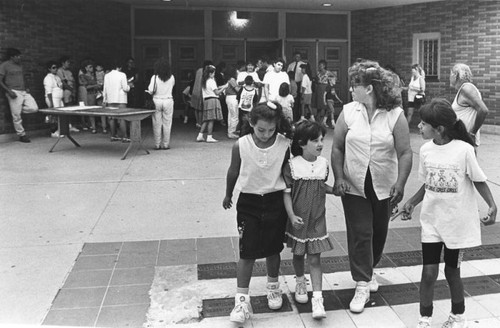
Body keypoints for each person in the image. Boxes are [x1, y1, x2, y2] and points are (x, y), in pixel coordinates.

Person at [400, 98, 497, 328]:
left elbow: (479, 180)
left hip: (456, 223)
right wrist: (412, 203)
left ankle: (458, 316)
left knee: (452, 271)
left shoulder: (464, 150)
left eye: (424, 123)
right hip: (432, 222)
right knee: (428, 272)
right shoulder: (425, 150)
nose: (419, 127)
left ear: (439, 128)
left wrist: (492, 206)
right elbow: (428, 184)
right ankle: (424, 318)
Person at [331, 60, 413, 314]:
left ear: (369, 88)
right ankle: (362, 283)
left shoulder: (395, 115)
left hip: (383, 185)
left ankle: (369, 269)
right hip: (353, 183)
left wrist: (400, 182)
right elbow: (337, 147)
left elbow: (405, 152)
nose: (351, 89)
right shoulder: (348, 111)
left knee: (378, 233)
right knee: (360, 233)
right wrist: (338, 177)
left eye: (355, 85)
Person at [222, 101, 292, 324]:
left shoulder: (284, 143)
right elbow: (233, 171)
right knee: (248, 251)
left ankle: (273, 286)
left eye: (271, 130)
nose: (266, 134)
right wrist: (228, 194)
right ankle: (242, 299)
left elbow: (287, 172)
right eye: (261, 129)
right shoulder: (240, 145)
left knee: (273, 248)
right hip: (249, 202)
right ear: (251, 122)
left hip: (275, 201)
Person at [283, 120, 335, 319]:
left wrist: (336, 191)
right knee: (298, 254)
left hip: (317, 220)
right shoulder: (292, 166)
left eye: (322, 139)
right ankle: (299, 281)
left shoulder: (324, 164)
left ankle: (318, 299)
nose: (320, 143)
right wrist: (291, 215)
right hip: (299, 219)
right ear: (302, 143)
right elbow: (287, 194)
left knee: (315, 258)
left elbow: (321, 187)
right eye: (315, 140)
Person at [0, 48, 39, 143]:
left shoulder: (20, 65)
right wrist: (9, 91)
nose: (19, 57)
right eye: (17, 56)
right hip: (13, 91)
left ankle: (17, 110)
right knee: (16, 116)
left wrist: (26, 87)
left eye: (19, 56)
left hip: (23, 91)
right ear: (11, 57)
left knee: (34, 108)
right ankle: (22, 135)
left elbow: (22, 78)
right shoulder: (4, 65)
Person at [450, 63, 489, 147]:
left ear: (456, 75)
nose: (449, 78)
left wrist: (472, 133)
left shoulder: (466, 88)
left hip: (465, 140)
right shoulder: (464, 89)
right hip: (461, 139)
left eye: (450, 74)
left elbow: (483, 110)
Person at [148, 57, 175, 150]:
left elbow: (151, 90)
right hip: (168, 100)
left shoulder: (154, 77)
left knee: (156, 123)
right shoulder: (171, 77)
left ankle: (157, 144)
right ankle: (166, 144)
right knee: (167, 123)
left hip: (157, 100)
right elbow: (173, 86)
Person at [103, 59, 131, 142]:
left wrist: (105, 99)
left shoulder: (107, 75)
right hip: (120, 99)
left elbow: (105, 88)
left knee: (111, 118)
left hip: (110, 99)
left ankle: (113, 136)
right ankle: (125, 137)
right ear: (119, 67)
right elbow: (125, 88)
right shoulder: (122, 75)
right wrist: (129, 86)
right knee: (122, 118)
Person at [197, 65, 225, 143]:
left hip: (206, 100)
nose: (214, 74)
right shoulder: (211, 81)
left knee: (206, 119)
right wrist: (224, 87)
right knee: (211, 120)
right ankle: (209, 136)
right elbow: (216, 92)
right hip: (212, 100)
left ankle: (200, 135)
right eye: (213, 73)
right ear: (210, 74)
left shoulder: (204, 81)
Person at [43, 60, 64, 137]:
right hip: (52, 98)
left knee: (61, 115)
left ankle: (60, 130)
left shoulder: (57, 77)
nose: (55, 69)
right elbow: (49, 92)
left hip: (59, 98)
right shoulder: (48, 78)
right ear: (49, 69)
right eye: (53, 68)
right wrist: (51, 103)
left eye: (56, 67)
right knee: (54, 115)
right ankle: (53, 132)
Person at [78, 59, 99, 133]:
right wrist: (96, 85)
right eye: (90, 67)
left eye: (92, 67)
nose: (91, 68)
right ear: (86, 68)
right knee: (91, 110)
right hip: (90, 93)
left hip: (97, 93)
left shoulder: (95, 75)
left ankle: (103, 126)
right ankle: (93, 127)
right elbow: (86, 86)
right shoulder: (83, 76)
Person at [191, 60, 213, 128]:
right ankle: (201, 123)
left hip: (195, 91)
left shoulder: (199, 70)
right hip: (201, 92)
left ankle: (197, 122)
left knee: (196, 108)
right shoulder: (206, 72)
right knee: (201, 109)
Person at [224, 67, 240, 139]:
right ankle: (232, 132)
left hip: (228, 98)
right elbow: (237, 90)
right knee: (235, 116)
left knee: (230, 115)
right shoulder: (232, 80)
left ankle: (230, 131)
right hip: (233, 98)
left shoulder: (228, 80)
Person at [315, 60, 332, 125]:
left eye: (321, 65)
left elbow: (334, 78)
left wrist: (330, 84)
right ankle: (318, 117)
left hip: (325, 88)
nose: (320, 67)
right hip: (319, 88)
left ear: (324, 66)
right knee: (319, 103)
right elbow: (316, 80)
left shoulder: (328, 73)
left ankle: (324, 119)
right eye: (319, 65)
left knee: (325, 104)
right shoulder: (318, 73)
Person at [94, 63, 107, 133]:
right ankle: (94, 126)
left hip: (102, 92)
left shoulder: (104, 74)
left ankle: (104, 127)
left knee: (103, 110)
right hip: (96, 92)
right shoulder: (94, 74)